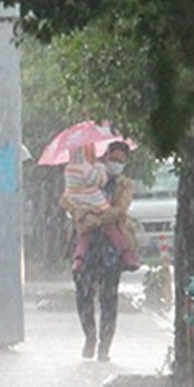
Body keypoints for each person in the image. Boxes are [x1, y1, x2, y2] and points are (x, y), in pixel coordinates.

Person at [67, 141, 138, 361]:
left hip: (111, 248)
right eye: (113, 158)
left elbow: (120, 209)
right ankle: (89, 336)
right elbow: (69, 199)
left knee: (109, 297)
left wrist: (99, 218)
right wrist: (82, 214)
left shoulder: (125, 185)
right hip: (87, 244)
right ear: (104, 156)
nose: (116, 164)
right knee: (83, 294)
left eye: (121, 161)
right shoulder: (90, 175)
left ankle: (105, 346)